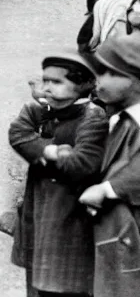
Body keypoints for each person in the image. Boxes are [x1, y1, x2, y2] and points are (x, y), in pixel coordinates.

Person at [9, 51, 108, 297]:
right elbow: (18, 134)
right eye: (45, 81)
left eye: (57, 82)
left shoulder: (92, 116)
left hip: (69, 214)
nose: (48, 88)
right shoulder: (44, 110)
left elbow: (82, 164)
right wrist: (51, 151)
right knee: (37, 279)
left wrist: (37, 155)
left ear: (84, 83)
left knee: (65, 281)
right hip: (40, 209)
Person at [80, 32, 140, 297]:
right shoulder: (118, 117)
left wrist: (109, 189)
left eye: (108, 74)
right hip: (116, 230)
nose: (98, 82)